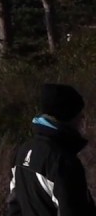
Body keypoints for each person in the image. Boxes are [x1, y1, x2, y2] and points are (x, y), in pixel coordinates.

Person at [7, 83, 96, 216]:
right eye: (79, 114)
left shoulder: (22, 151)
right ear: (67, 116)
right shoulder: (62, 162)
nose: (82, 119)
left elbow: (14, 205)